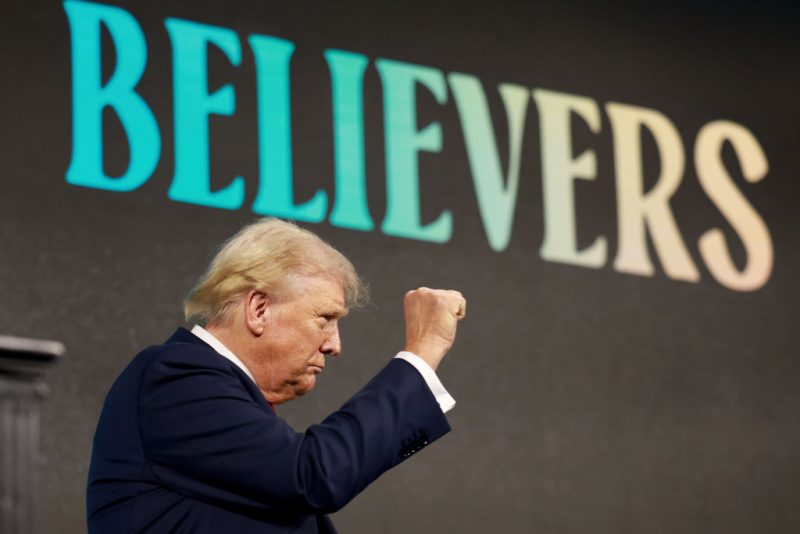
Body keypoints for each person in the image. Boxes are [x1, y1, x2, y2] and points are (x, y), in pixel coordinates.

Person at [86, 218, 466, 533]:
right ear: (259, 308)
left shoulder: (215, 397)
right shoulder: (172, 377)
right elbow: (315, 475)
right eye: (325, 318)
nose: (335, 345)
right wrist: (424, 349)